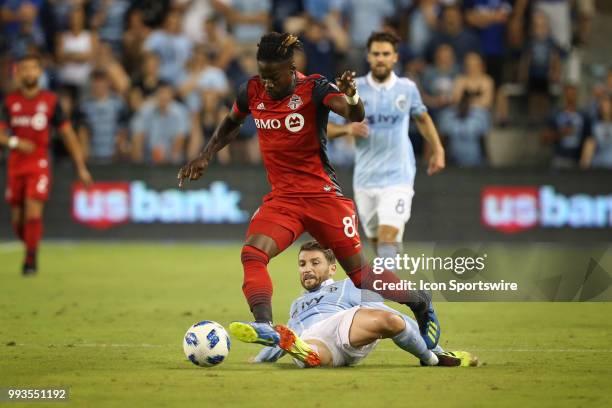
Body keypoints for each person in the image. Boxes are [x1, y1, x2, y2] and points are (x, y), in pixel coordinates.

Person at [177, 32, 441, 351]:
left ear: (290, 69)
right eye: (263, 74)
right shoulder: (252, 90)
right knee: (252, 253)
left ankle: (420, 302)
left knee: (363, 278)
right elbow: (232, 121)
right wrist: (206, 153)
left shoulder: (314, 88)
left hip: (323, 198)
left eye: (273, 76)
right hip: (283, 200)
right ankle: (265, 326)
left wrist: (353, 97)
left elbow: (353, 113)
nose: (267, 83)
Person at [230, 240, 477, 368]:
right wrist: (262, 359)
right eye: (303, 264)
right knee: (312, 353)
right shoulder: (297, 303)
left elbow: (386, 311)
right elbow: (289, 333)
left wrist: (434, 348)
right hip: (316, 341)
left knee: (389, 319)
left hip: (345, 325)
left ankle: (432, 359)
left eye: (315, 263)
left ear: (332, 268)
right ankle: (304, 352)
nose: (307, 269)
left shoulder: (347, 286)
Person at [327, 32, 445, 270]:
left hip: (398, 176)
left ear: (395, 58)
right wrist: (348, 128)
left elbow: (422, 118)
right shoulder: (354, 89)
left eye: (385, 54)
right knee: (376, 241)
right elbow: (325, 129)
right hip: (365, 179)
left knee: (387, 237)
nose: (380, 58)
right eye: (376, 54)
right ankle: (389, 279)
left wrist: (438, 149)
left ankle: (382, 292)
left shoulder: (407, 88)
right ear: (368, 57)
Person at [0, 54, 92, 275]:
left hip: (39, 162)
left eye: (33, 68)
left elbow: (68, 134)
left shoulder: (50, 101)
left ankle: (30, 260)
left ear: (40, 73)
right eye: (25, 69)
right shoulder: (9, 102)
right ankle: (30, 246)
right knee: (18, 220)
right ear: (18, 73)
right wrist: (15, 142)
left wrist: (81, 167)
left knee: (33, 211)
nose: (29, 72)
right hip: (15, 164)